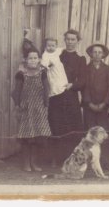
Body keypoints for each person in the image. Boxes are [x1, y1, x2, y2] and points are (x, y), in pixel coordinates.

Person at [48, 29, 87, 166]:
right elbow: (48, 69)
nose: (70, 42)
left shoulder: (80, 59)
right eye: (68, 39)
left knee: (71, 128)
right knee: (56, 125)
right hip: (56, 96)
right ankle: (55, 159)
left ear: (77, 41)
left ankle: (71, 159)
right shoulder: (57, 55)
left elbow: (83, 79)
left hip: (70, 96)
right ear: (64, 40)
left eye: (73, 39)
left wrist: (73, 85)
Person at [11, 47, 52, 172]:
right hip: (26, 108)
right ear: (25, 60)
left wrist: (46, 105)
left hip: (39, 109)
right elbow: (16, 92)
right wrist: (17, 105)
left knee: (38, 137)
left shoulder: (43, 72)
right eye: (30, 58)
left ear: (39, 59)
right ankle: (26, 163)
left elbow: (46, 90)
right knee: (26, 137)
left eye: (35, 58)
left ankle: (34, 162)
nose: (33, 60)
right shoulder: (21, 74)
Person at [40, 37, 69, 166]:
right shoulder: (45, 55)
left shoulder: (57, 51)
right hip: (53, 80)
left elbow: (63, 49)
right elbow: (45, 65)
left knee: (61, 82)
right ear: (45, 46)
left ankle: (61, 156)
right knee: (55, 85)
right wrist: (50, 64)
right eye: (48, 45)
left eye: (53, 45)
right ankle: (52, 157)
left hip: (61, 78)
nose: (51, 47)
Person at [82, 43, 109, 130]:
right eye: (95, 52)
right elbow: (84, 87)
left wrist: (104, 103)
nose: (97, 54)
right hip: (89, 105)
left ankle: (102, 144)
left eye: (99, 52)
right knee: (90, 129)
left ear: (103, 54)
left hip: (102, 105)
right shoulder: (86, 68)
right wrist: (89, 103)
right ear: (91, 54)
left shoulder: (107, 69)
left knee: (102, 129)